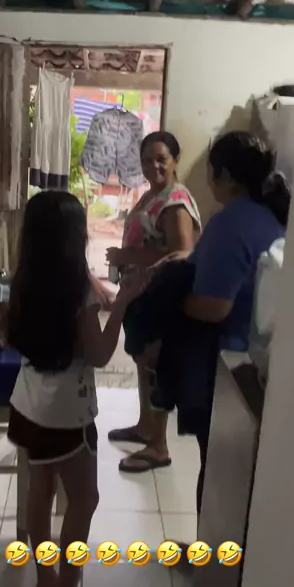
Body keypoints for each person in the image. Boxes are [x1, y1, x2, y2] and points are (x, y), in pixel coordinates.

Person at [119, 131, 290, 500]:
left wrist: (169, 305)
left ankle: (208, 542)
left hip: (226, 360)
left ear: (223, 175)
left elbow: (213, 307)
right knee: (229, 472)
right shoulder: (267, 216)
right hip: (255, 358)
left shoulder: (230, 223)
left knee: (217, 473)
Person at [7, 191, 143, 587]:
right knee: (84, 499)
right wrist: (123, 302)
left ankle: (45, 579)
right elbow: (100, 354)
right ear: (73, 237)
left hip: (28, 405)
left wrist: (101, 294)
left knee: (40, 492)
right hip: (67, 416)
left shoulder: (25, 279)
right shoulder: (75, 290)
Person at [105, 131, 201, 466]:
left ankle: (158, 446)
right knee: (142, 361)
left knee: (155, 364)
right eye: (147, 160)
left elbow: (181, 252)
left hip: (161, 295)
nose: (154, 166)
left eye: (161, 159)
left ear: (176, 160)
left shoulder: (175, 200)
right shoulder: (153, 195)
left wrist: (126, 256)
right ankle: (146, 427)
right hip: (141, 292)